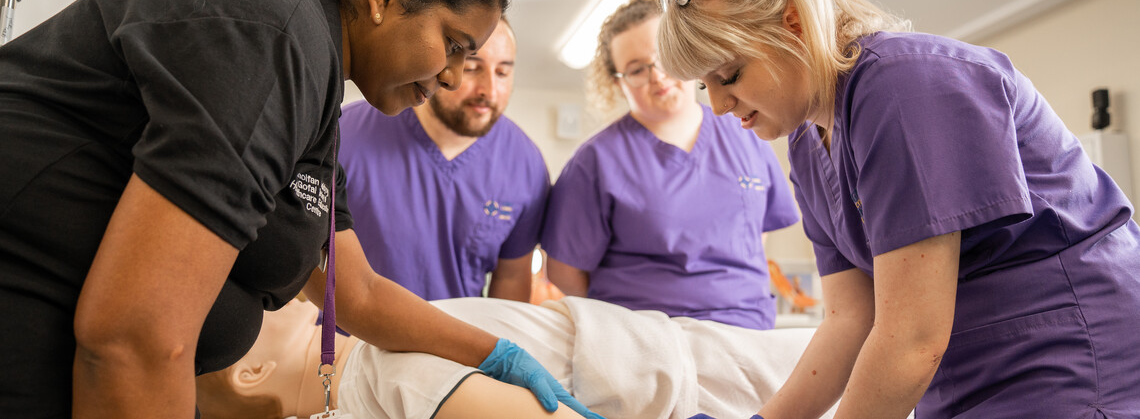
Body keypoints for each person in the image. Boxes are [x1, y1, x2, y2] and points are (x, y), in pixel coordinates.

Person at [0, 0, 597, 419]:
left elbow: (356, 293)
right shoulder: (274, 43)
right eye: (455, 44)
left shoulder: (314, 107)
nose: (454, 76)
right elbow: (135, 336)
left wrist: (500, 354)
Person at [655, 0, 1140, 418]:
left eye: (728, 75)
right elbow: (850, 321)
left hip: (1069, 362)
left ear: (792, 21)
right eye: (703, 86)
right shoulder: (806, 143)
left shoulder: (905, 87)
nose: (718, 106)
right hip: (961, 378)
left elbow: (911, 339)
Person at [541, 0, 800, 330]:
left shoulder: (746, 129)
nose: (657, 77)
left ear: (686, 52)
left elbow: (756, 234)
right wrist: (624, 320)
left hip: (745, 331)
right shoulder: (595, 162)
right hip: (646, 338)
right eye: (636, 69)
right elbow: (564, 269)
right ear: (618, 83)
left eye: (663, 58)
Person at [196, 296, 839, 419]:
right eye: (248, 318)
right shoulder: (384, 371)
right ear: (252, 371)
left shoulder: (371, 349)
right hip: (698, 383)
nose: (268, 299)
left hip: (679, 362)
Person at [339, 16, 547, 302]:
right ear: (434, 64)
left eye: (502, 73)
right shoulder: (345, 135)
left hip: (455, 341)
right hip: (349, 342)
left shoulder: (525, 165)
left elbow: (512, 277)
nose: (489, 90)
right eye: (473, 68)